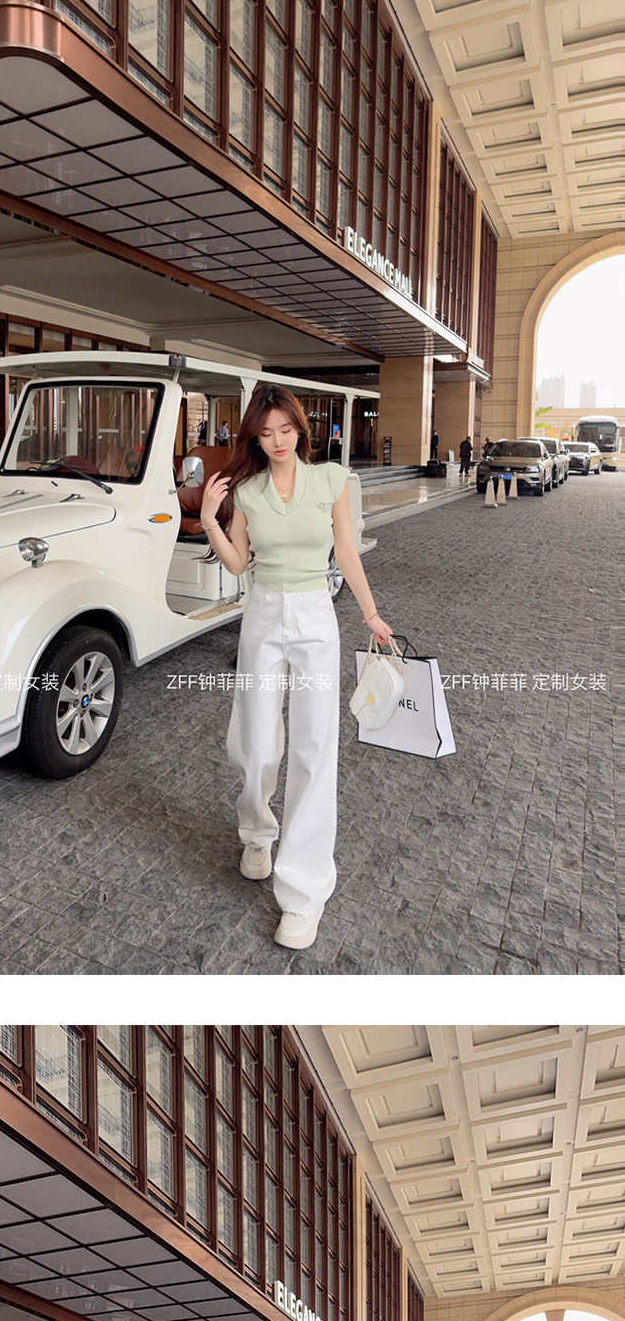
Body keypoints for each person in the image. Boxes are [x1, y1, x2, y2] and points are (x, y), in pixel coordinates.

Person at [199, 383, 393, 954]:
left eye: (285, 429)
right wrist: (210, 519)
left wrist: (371, 615)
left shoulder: (333, 480)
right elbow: (239, 563)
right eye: (266, 433)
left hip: (314, 618)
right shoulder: (248, 490)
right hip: (262, 615)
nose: (277, 440)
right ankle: (257, 831)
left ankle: (303, 893)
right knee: (256, 742)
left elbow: (346, 552)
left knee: (314, 747)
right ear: (255, 438)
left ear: (300, 430)